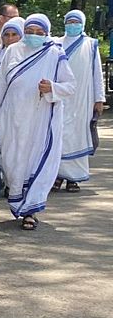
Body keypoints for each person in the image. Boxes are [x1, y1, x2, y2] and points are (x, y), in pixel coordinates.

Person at [0, 14, 76, 229]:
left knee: (37, 162)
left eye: (39, 33)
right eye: (30, 32)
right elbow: (0, 85)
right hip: (12, 117)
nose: (34, 36)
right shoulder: (12, 51)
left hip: (41, 119)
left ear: (46, 34)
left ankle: (31, 211)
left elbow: (71, 85)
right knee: (10, 162)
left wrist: (52, 88)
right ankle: (18, 199)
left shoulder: (55, 53)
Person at [54, 10, 106, 192]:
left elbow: (96, 73)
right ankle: (58, 175)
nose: (72, 24)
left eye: (76, 21)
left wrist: (99, 99)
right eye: (70, 21)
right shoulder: (56, 43)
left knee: (78, 136)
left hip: (82, 99)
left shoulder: (90, 44)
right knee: (59, 136)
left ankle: (73, 179)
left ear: (82, 24)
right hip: (60, 96)